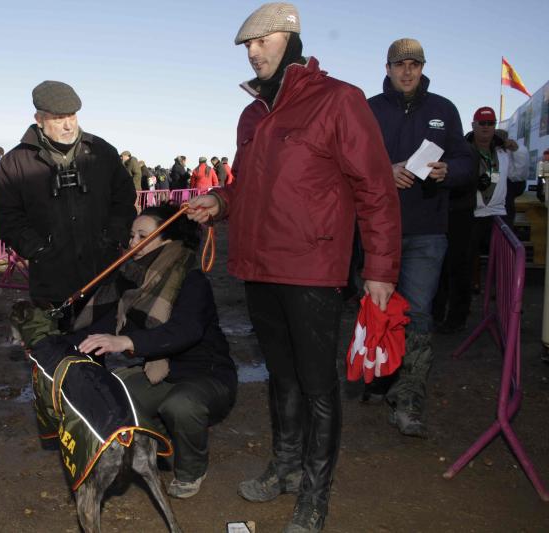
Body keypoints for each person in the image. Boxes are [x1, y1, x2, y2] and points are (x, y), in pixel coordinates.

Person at [188, 5, 401, 531]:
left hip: (312, 267)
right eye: (246, 46)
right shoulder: (252, 114)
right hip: (258, 265)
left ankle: (314, 492)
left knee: (317, 385)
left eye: (261, 41)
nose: (252, 52)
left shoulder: (339, 100)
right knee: (281, 377)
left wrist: (380, 268)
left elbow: (375, 190)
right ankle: (284, 467)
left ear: (289, 38)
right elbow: (248, 186)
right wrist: (221, 202)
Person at [64, 203, 237, 499]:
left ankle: (191, 469)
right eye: (131, 236)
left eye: (141, 235)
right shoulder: (133, 277)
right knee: (112, 394)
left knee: (180, 406)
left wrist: (128, 342)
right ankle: (156, 442)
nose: (132, 244)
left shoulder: (191, 278)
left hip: (206, 375)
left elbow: (187, 330)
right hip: (160, 373)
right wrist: (59, 343)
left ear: (166, 239)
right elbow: (102, 321)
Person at [366, 38, 473, 438]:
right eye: (399, 64)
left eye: (414, 64)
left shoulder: (443, 109)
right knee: (377, 313)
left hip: (428, 230)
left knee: (419, 315)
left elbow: (465, 160)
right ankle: (379, 377)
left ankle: (408, 400)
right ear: (388, 67)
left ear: (423, 67)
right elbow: (351, 163)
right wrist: (383, 172)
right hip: (378, 230)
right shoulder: (370, 110)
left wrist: (450, 170)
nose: (407, 71)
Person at [0, 81, 137, 330]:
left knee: (96, 351)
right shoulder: (14, 162)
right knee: (54, 354)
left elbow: (124, 198)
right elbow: (6, 215)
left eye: (72, 116)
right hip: (50, 280)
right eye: (59, 118)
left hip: (102, 273)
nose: (68, 124)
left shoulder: (101, 151)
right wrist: (38, 249)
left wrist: (114, 235)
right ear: (39, 119)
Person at [435, 107, 528, 334]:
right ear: (473, 124)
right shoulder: (462, 149)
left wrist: (519, 151)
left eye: (490, 123)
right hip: (469, 215)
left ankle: (509, 315)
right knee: (459, 267)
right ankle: (456, 316)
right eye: (481, 123)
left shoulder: (505, 150)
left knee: (507, 267)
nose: (486, 128)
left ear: (495, 125)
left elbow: (518, 175)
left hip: (498, 216)